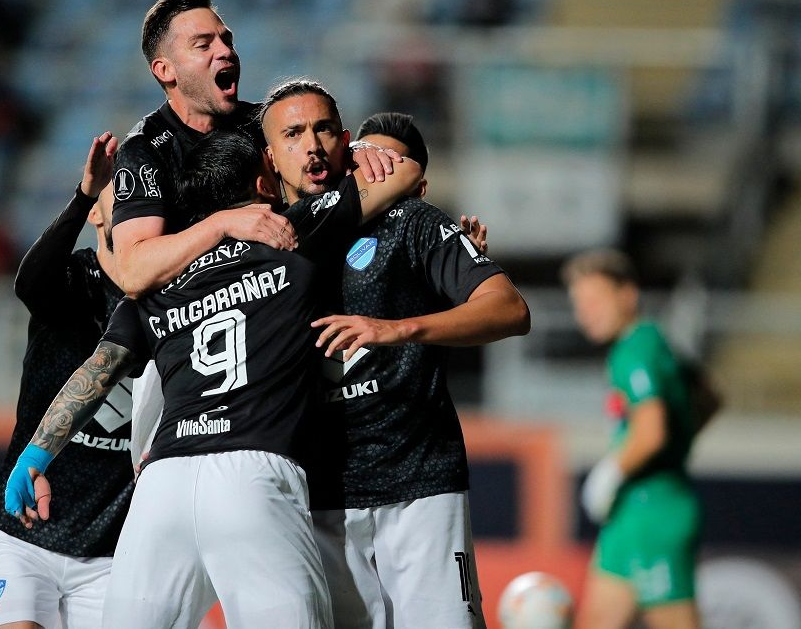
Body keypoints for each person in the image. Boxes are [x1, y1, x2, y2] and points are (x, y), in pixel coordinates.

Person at [4, 129, 426, 628]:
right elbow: (406, 173)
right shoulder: (293, 231)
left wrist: (36, 455)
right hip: (253, 471)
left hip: (162, 485)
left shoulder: (161, 278)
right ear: (263, 184)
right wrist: (350, 151)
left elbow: (98, 370)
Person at [260, 93, 531, 628]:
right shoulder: (274, 234)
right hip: (321, 490)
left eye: (388, 161)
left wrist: (397, 328)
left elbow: (510, 309)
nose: (374, 167)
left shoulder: (413, 222)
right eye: (367, 156)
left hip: (420, 482)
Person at [0, 131, 165, 629]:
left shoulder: (172, 298)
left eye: (146, 194)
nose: (135, 205)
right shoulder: (70, 282)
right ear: (97, 215)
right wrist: (83, 194)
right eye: (121, 192)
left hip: (112, 550)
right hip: (22, 531)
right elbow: (29, 282)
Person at [108, 0, 397, 299]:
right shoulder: (146, 150)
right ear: (165, 70)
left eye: (227, 40)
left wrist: (356, 151)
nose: (226, 51)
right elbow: (133, 272)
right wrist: (221, 225)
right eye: (203, 45)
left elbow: (321, 160)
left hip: (288, 292)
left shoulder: (262, 123)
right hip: (200, 313)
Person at [562, 249, 720, 629]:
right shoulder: (653, 343)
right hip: (631, 514)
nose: (586, 313)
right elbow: (710, 398)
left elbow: (651, 433)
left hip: (654, 513)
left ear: (627, 295)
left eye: (595, 301)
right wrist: (678, 441)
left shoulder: (636, 350)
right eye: (579, 304)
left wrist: (610, 473)